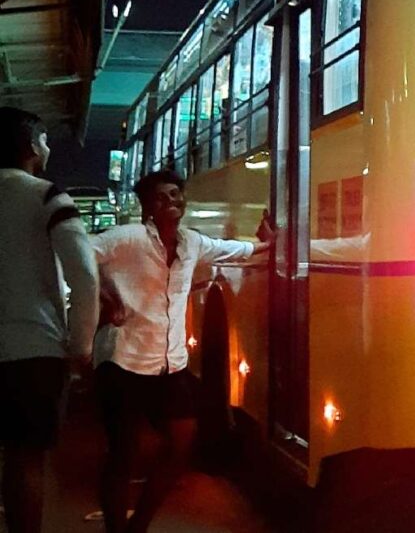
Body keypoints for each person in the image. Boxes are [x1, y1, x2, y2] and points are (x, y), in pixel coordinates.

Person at [92, 169, 270, 533]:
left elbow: (235, 250)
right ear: (147, 207)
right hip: (123, 363)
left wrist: (267, 244)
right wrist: (105, 292)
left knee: (182, 442)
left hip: (168, 368)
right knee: (122, 457)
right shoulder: (128, 239)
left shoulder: (192, 243)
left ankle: (138, 524)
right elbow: (78, 255)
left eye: (177, 195)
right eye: (163, 197)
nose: (173, 202)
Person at [0, 107, 100, 533]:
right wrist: (80, 346)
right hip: (33, 354)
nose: (46, 147)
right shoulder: (47, 196)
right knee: (25, 461)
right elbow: (85, 276)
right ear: (28, 147)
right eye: (42, 139)